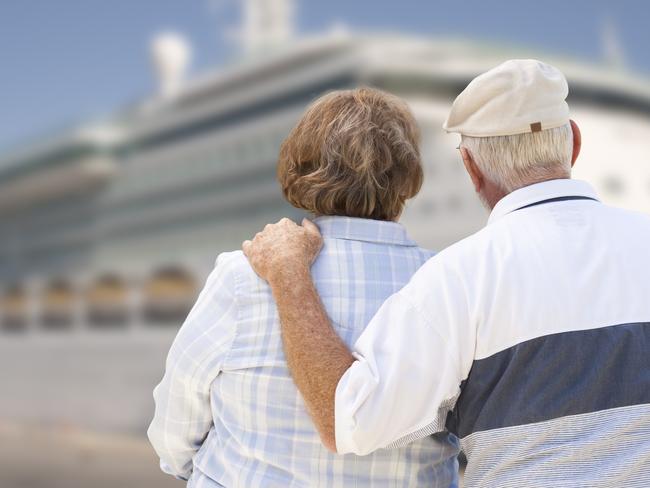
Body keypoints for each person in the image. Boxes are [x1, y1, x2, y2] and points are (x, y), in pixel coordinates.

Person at [242, 59, 650, 487]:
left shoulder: (459, 279)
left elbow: (348, 421)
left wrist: (289, 273)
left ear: (471, 168)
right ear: (574, 145)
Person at [148, 87, 460, 487]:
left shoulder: (244, 274)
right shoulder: (447, 282)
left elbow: (178, 415)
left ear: (301, 168)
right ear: (408, 177)